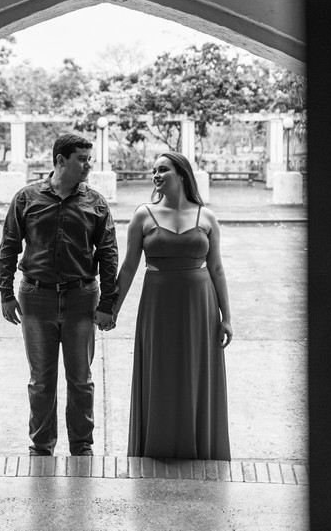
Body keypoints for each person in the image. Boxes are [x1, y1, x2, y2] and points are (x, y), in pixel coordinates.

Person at [0, 133, 119, 457]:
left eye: (89, 159)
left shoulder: (96, 203)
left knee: (81, 380)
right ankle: (41, 448)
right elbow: (9, 245)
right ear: (61, 160)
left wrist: (108, 302)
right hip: (37, 298)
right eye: (82, 159)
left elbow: (108, 254)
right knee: (41, 380)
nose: (88, 166)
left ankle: (82, 447)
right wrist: (5, 292)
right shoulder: (26, 198)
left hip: (82, 298)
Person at [108, 151, 233, 460]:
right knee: (160, 371)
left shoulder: (206, 216)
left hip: (200, 306)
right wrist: (112, 308)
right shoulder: (143, 215)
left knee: (195, 372)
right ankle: (159, 446)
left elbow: (217, 269)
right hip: (158, 305)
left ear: (181, 174)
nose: (156, 174)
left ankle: (198, 448)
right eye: (154, 170)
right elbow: (128, 267)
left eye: (163, 169)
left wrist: (226, 317)